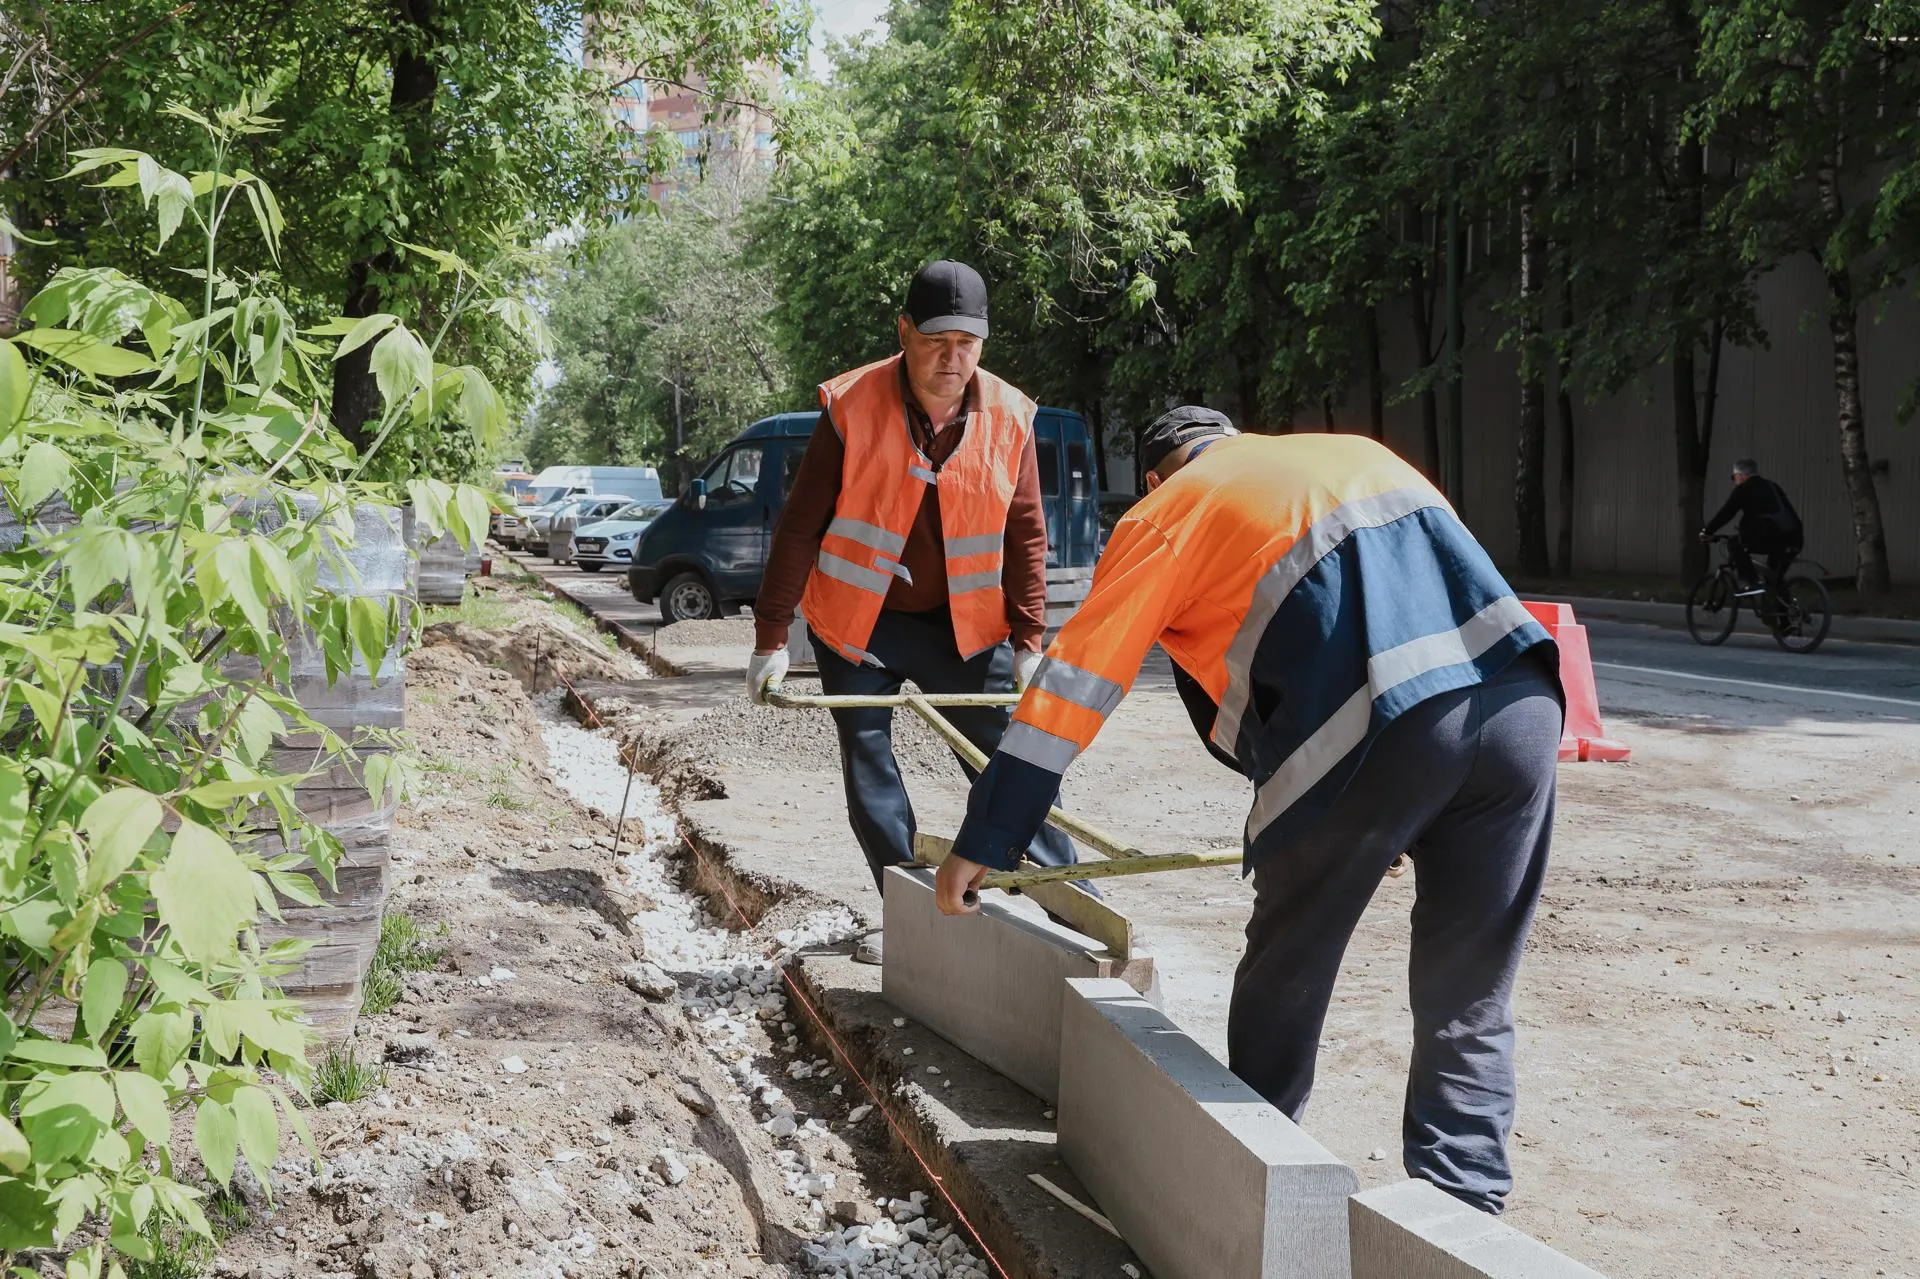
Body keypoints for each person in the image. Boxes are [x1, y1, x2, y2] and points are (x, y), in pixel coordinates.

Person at [934, 407, 1564, 1216]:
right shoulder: (1352, 453)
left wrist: (986, 837)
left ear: (1158, 473)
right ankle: (1462, 1216)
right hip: (1522, 709)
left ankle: (1260, 1184)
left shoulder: (1168, 511)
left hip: (1382, 724)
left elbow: (1071, 688)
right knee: (1469, 987)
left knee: (1286, 963)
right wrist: (1399, 800)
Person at [747, 259, 1077, 964]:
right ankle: (907, 910)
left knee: (1008, 754)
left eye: (967, 343)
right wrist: (771, 636)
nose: (952, 359)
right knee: (869, 757)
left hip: (963, 623)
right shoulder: (851, 406)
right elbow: (800, 526)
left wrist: (1028, 639)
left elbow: (1026, 533)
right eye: (936, 341)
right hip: (859, 623)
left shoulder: (1010, 417)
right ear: (905, 333)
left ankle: (1071, 895)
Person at [1701, 458, 1803, 588]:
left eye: (1734, 477)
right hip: (1794, 538)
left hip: (1770, 537)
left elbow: (1727, 512)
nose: (1735, 481)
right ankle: (1781, 605)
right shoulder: (1773, 486)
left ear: (1741, 476)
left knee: (1734, 544)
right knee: (1774, 577)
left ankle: (1751, 581)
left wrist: (1707, 531)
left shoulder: (1743, 489)